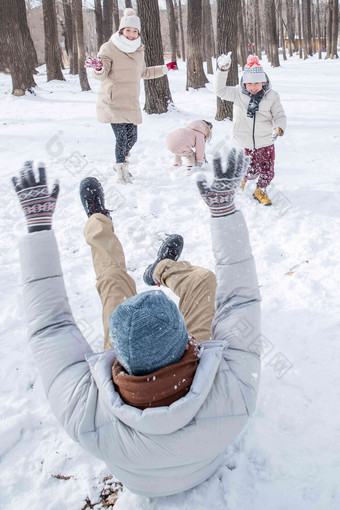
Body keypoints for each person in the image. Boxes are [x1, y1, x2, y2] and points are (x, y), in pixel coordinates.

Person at [12, 149, 261, 498]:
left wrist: (38, 228)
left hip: (137, 469)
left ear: (118, 355)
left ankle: (131, 246)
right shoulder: (233, 391)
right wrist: (223, 210)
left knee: (114, 280)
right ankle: (152, 260)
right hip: (205, 457)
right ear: (186, 337)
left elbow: (49, 327)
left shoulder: (85, 412)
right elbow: (241, 300)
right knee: (202, 281)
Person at [85, 8, 177, 185]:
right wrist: (98, 68)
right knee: (121, 138)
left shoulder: (138, 50)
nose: (132, 34)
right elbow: (101, 73)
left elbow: (143, 72)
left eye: (135, 31)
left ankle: (121, 162)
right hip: (113, 101)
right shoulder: (108, 48)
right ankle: (121, 171)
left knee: (132, 138)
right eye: (128, 30)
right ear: (121, 31)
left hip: (131, 101)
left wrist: (165, 68)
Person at [215, 53, 286, 205]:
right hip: (243, 142)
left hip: (265, 141)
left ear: (264, 82)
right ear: (244, 84)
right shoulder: (237, 93)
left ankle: (261, 189)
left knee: (268, 170)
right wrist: (222, 70)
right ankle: (242, 180)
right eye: (249, 84)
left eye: (257, 84)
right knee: (248, 170)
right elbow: (220, 91)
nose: (253, 87)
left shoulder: (272, 96)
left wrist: (279, 128)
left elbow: (279, 115)